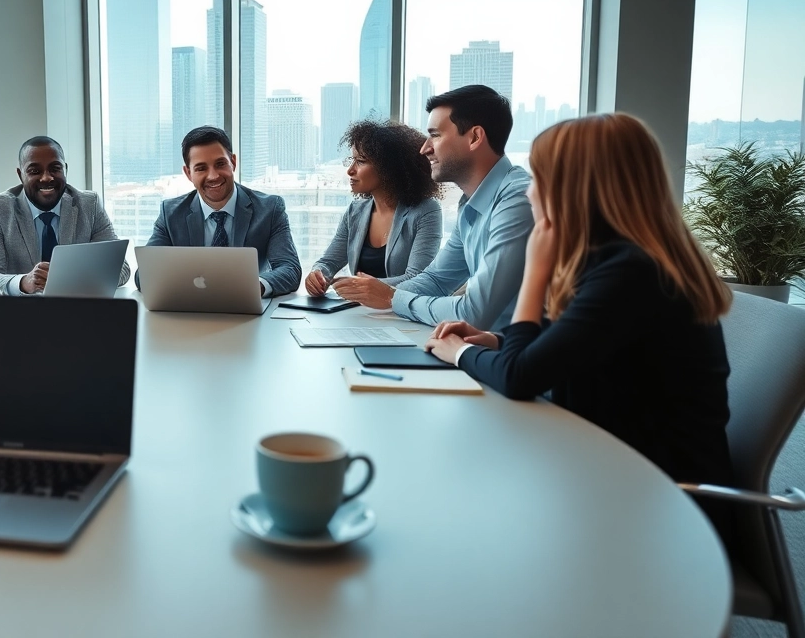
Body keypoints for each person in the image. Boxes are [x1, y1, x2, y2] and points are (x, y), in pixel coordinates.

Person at [424, 113, 735, 539]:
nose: (532, 192)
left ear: (578, 189)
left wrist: (463, 348)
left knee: (468, 510)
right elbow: (566, 349)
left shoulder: (633, 273)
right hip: (611, 467)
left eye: (543, 178)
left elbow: (520, 377)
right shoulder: (618, 261)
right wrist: (494, 340)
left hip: (662, 506)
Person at [337, 85, 532, 330]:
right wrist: (368, 294)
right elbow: (436, 280)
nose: (424, 148)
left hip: (520, 359)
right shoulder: (471, 204)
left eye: (436, 135)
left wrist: (392, 297)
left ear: (474, 137)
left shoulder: (517, 199)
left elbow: (474, 312)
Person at [140, 126, 301, 296]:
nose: (213, 176)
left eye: (220, 164)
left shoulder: (269, 209)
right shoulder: (170, 214)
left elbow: (289, 268)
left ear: (233, 162)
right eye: (201, 168)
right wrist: (183, 284)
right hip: (189, 310)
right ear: (188, 173)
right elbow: (144, 273)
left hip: (248, 309)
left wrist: (256, 286)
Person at [306, 119, 443, 300]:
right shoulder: (355, 211)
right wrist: (318, 274)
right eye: (352, 160)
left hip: (401, 316)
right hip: (357, 314)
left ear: (389, 169)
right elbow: (328, 262)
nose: (350, 171)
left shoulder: (426, 211)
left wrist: (359, 286)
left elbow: (417, 278)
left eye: (361, 161)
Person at [0, 136, 130, 294]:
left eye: (55, 169)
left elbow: (121, 268)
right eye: (35, 171)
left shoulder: (90, 204)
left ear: (65, 169)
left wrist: (67, 278)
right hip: (20, 314)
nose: (47, 177)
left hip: (76, 311)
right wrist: (24, 282)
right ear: (20, 175)